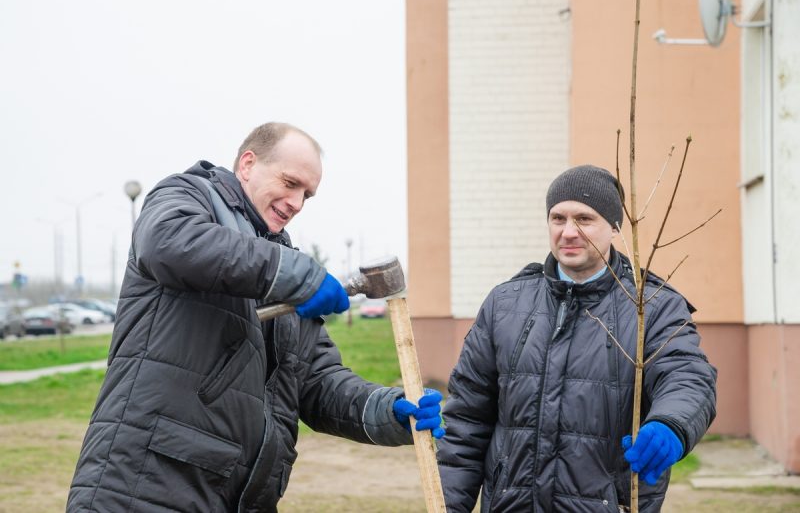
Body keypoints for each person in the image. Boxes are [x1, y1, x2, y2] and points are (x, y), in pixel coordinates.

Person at [68, 122, 444, 512]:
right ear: (247, 164)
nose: (297, 202)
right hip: (145, 485)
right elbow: (169, 242)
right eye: (290, 182)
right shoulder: (189, 196)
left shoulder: (278, 266)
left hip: (238, 494)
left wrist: (387, 411)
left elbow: (316, 381)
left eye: (307, 195)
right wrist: (295, 274)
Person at [437, 164, 717, 512]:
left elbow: (688, 377)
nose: (568, 232)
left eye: (584, 219)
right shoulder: (505, 305)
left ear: (614, 227)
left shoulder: (652, 306)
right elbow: (467, 421)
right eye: (558, 218)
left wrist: (671, 424)